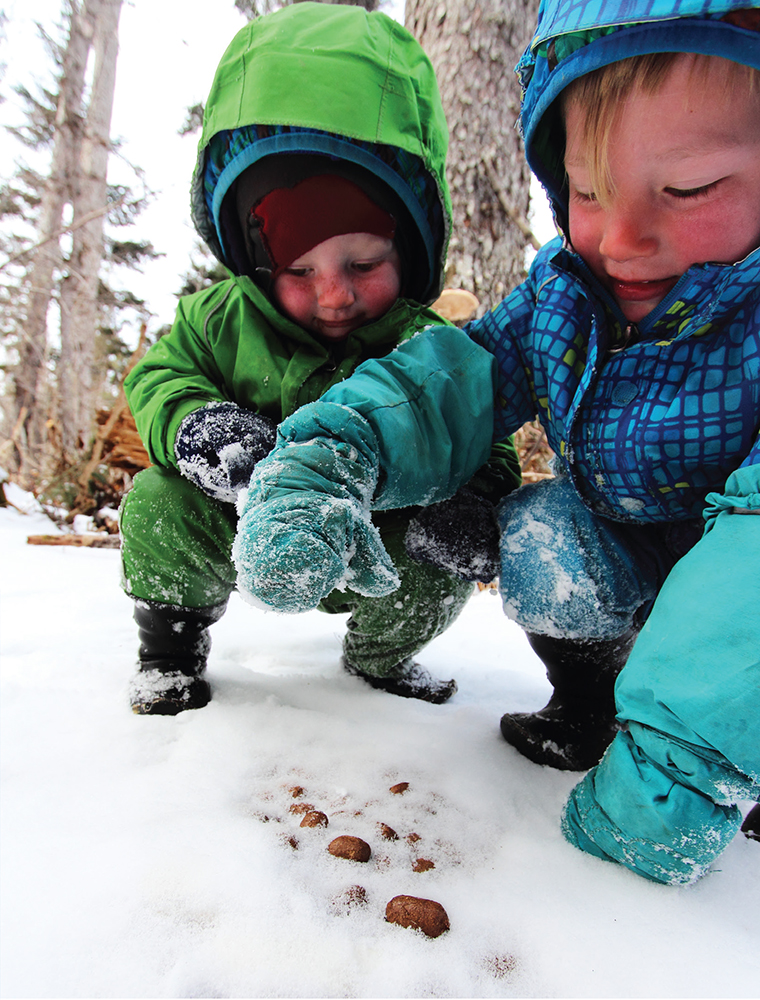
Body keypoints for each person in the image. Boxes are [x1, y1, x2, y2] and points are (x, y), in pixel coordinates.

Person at [232, 0, 760, 885]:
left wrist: (674, 771)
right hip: (649, 547)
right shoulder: (567, 296)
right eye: (588, 192)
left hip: (739, 593)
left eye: (688, 189)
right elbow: (447, 380)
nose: (620, 239)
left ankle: (710, 758)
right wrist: (328, 459)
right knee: (541, 530)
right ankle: (590, 706)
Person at [120, 2, 521, 716]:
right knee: (157, 504)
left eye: (363, 263)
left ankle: (379, 657)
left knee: (436, 558)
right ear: (258, 262)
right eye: (300, 273)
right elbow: (158, 377)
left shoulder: (426, 345)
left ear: (411, 251)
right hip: (240, 522)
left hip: (375, 543)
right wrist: (198, 425)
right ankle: (170, 650)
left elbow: (481, 431)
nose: (334, 295)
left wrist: (476, 497)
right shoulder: (223, 319)